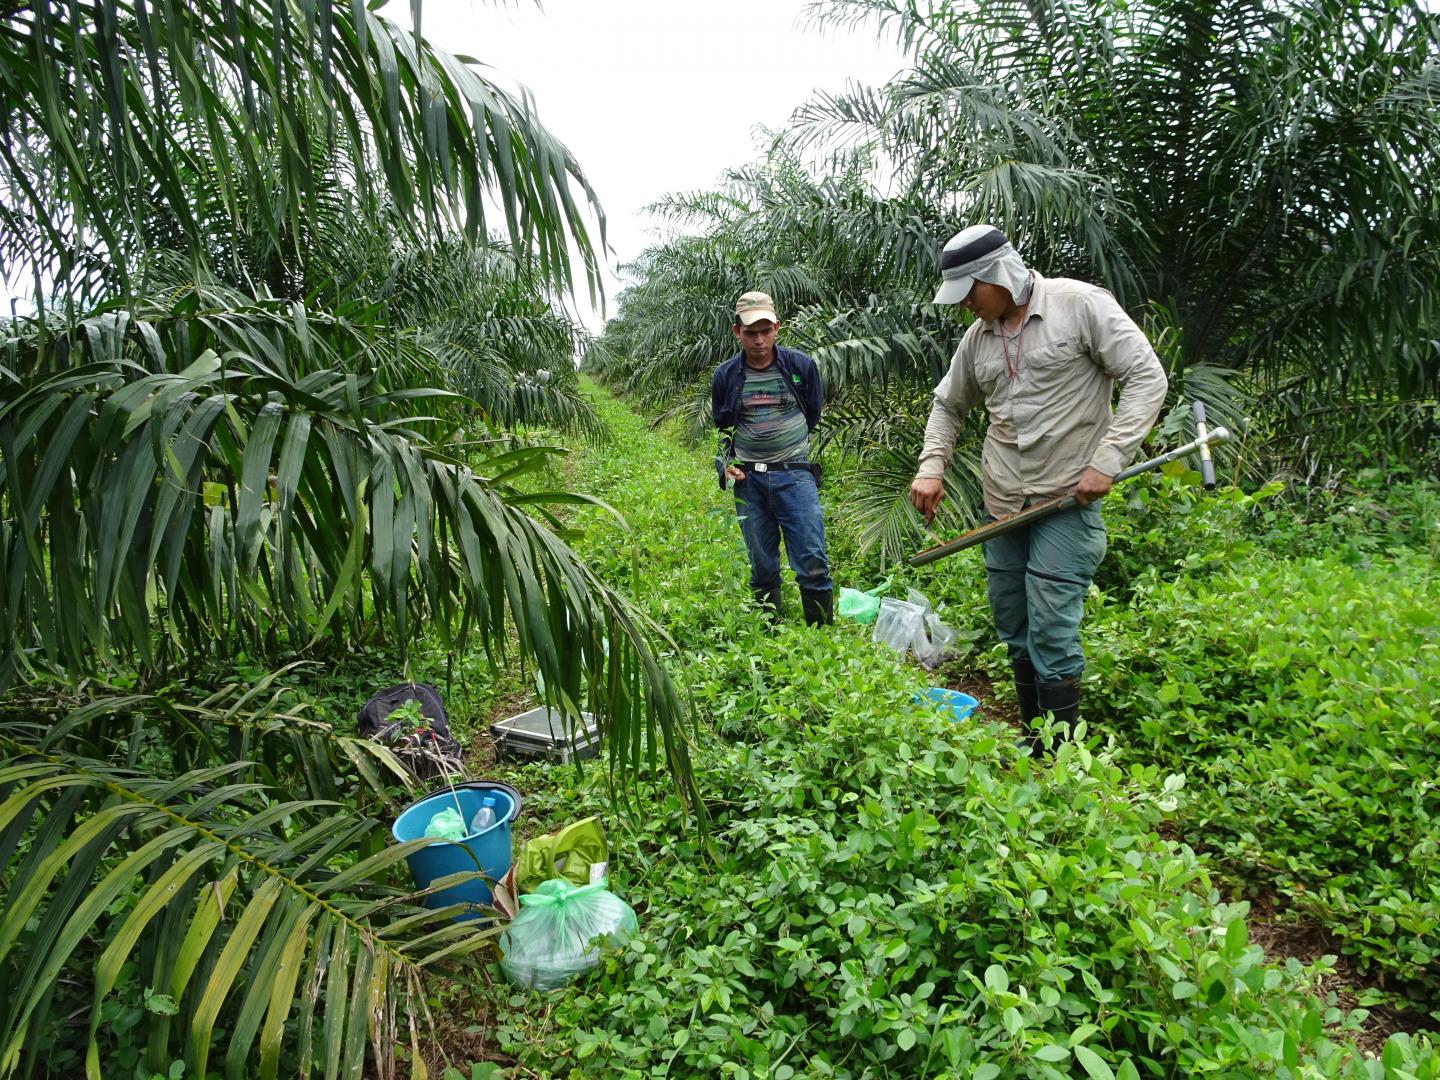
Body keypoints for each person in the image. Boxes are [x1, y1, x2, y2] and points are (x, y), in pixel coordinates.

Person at [909, 225, 1167, 745]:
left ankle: (1060, 752)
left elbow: (1147, 376)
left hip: (1066, 498)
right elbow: (948, 403)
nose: (965, 308)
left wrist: (1109, 459)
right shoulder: (977, 337)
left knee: (1050, 625)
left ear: (996, 275)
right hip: (1003, 499)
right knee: (1013, 620)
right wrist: (931, 465)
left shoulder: (1080, 306)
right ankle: (1034, 735)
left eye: (969, 294)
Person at [712, 290, 833, 626]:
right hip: (749, 482)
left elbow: (812, 414)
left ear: (777, 327)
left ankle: (821, 634)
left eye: (766, 330)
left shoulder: (800, 367)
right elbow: (723, 430)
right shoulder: (726, 376)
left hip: (795, 476)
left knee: (811, 559)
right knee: (762, 563)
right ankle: (771, 633)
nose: (759, 340)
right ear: (737, 332)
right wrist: (727, 463)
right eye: (751, 332)